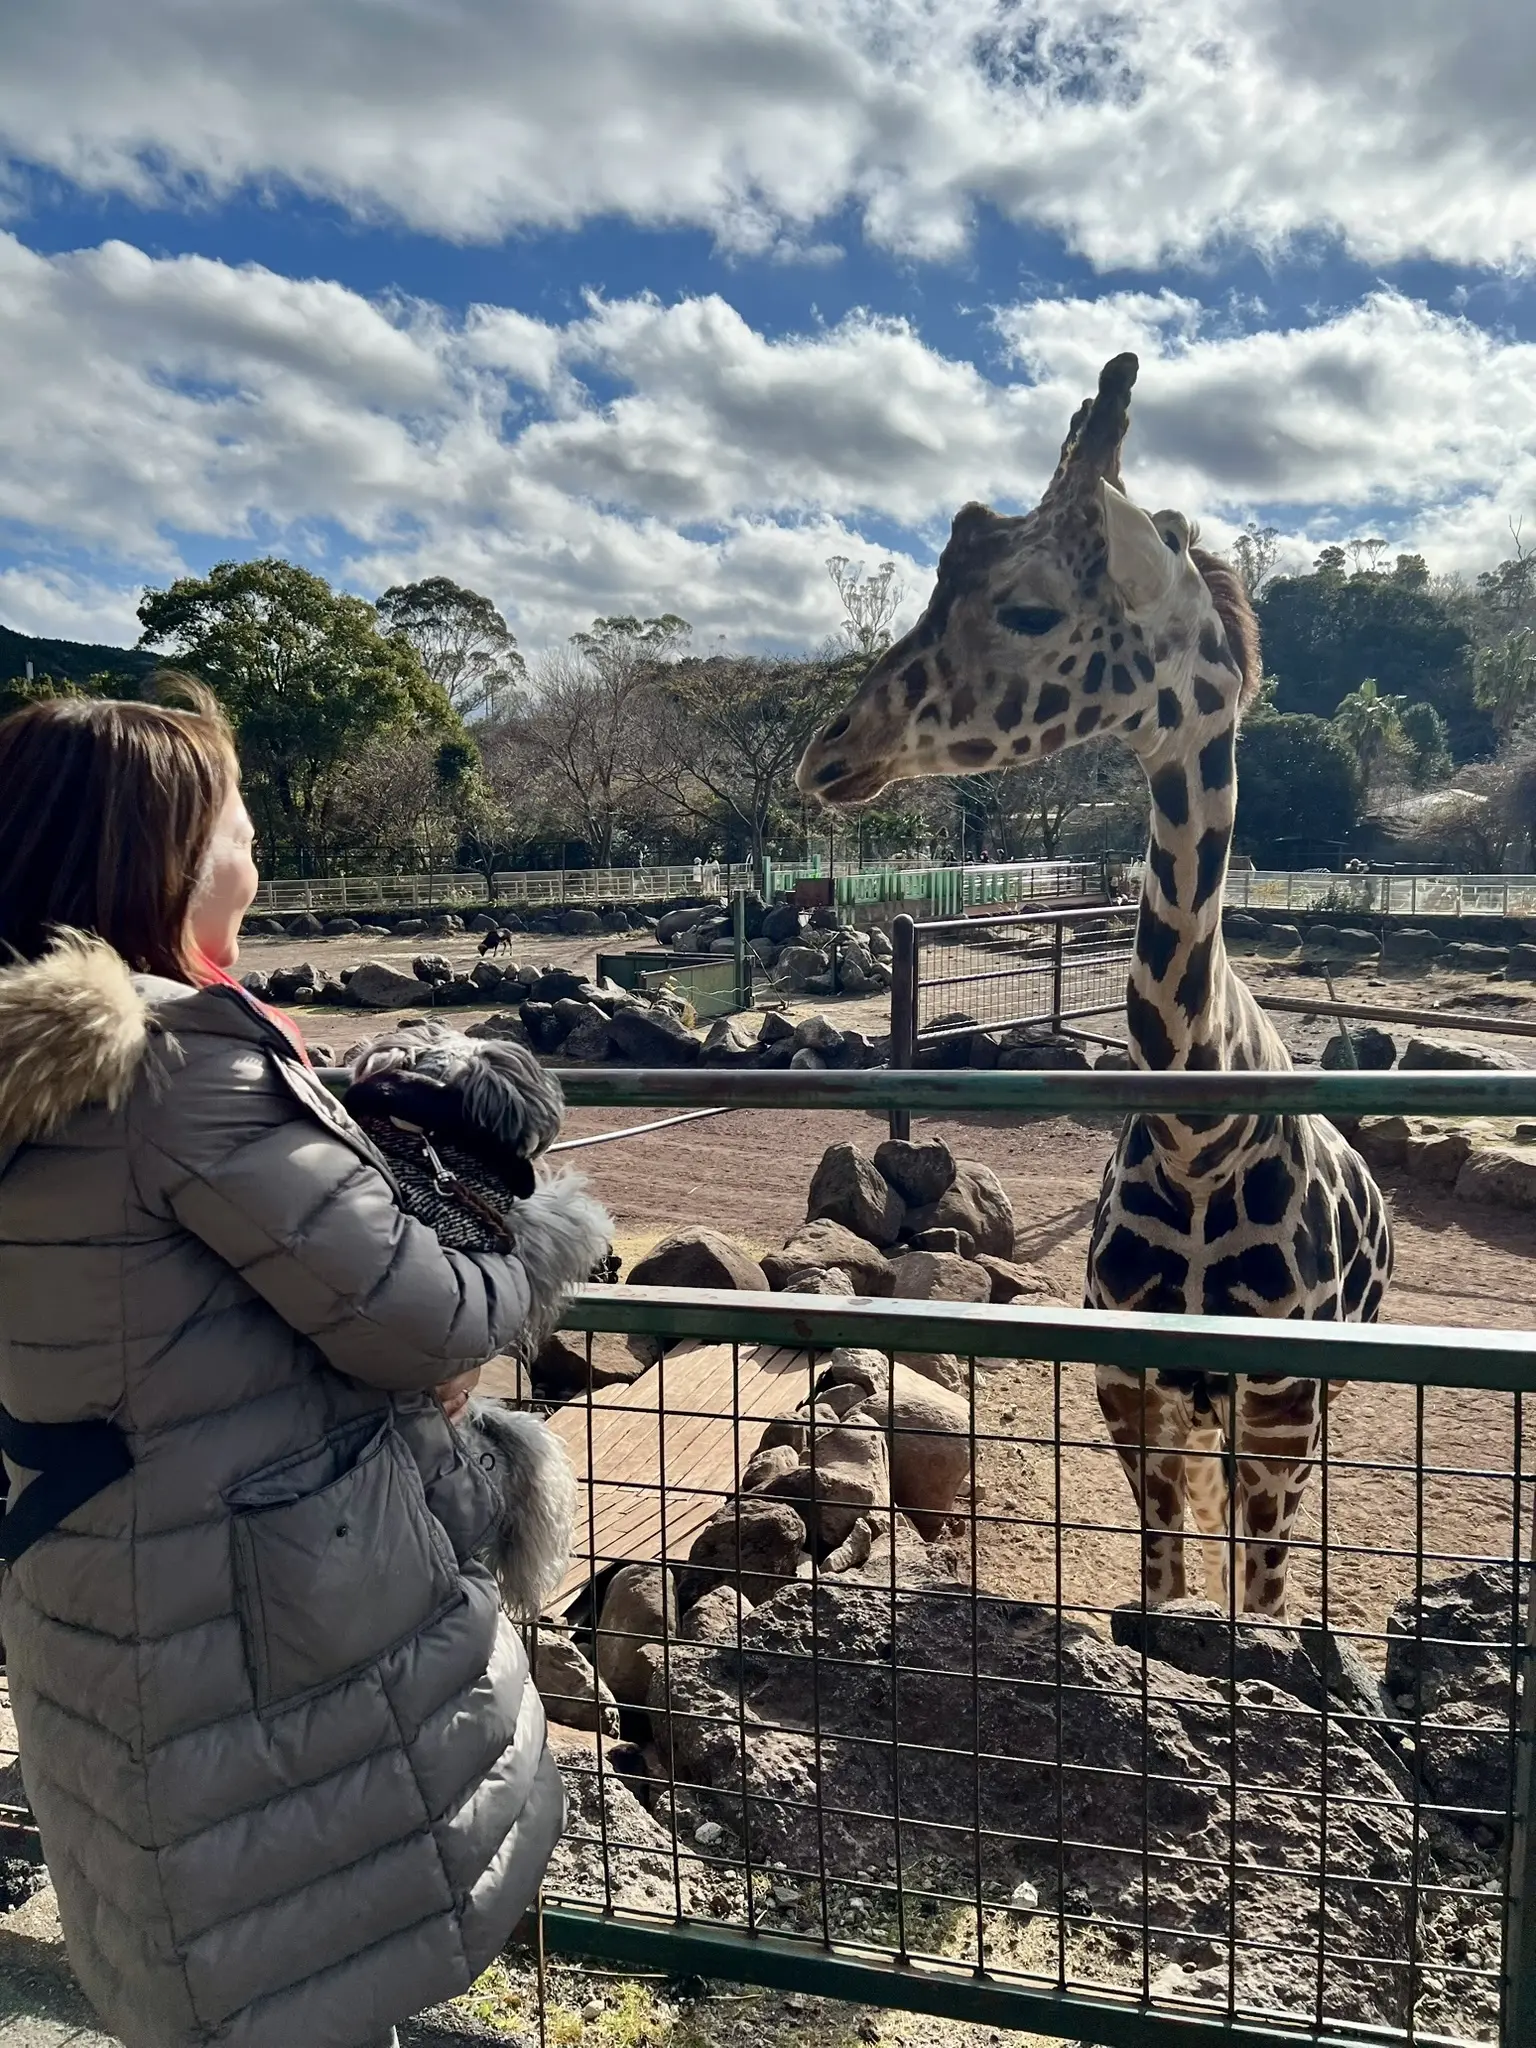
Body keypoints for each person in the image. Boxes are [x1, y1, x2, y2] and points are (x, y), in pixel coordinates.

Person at [0, 684, 609, 2048]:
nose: (254, 837)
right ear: (160, 852)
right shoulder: (178, 1075)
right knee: (292, 1949)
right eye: (230, 809)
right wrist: (541, 1246)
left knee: (211, 1949)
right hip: (252, 1613)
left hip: (108, 1576)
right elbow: (419, 1317)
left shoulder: (44, 1070)